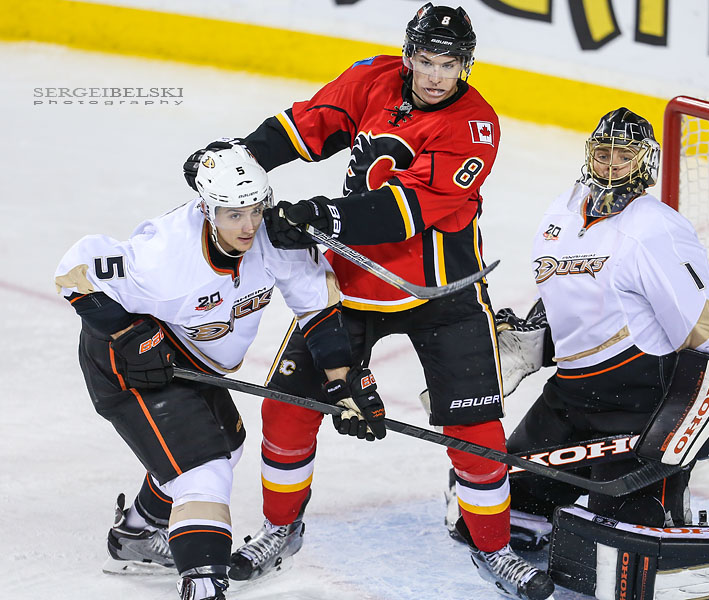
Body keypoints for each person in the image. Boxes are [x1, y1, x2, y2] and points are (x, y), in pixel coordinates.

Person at [181, 4, 553, 599]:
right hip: (347, 284)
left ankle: (496, 547)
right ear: (408, 57)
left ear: (466, 65)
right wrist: (238, 162)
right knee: (286, 409)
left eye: (449, 64)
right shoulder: (373, 78)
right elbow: (305, 126)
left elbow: (405, 213)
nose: (435, 76)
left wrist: (323, 215)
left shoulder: (476, 126)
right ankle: (281, 528)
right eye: (426, 61)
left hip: (443, 292)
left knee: (474, 426)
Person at [55, 147, 375, 600]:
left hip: (189, 358)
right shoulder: (167, 255)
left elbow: (316, 306)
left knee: (227, 446)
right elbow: (73, 271)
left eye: (255, 209)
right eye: (233, 214)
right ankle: (203, 586)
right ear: (206, 209)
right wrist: (129, 333)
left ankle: (137, 531)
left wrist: (341, 381)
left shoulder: (272, 238)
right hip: (126, 364)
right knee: (203, 469)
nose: (248, 226)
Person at [481, 107, 709, 549]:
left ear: (643, 161)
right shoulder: (562, 213)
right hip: (569, 396)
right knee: (504, 505)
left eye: (622, 154)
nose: (609, 163)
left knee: (629, 545)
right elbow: (571, 292)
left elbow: (705, 319)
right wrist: (539, 331)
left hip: (637, 407)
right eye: (602, 152)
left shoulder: (654, 227)